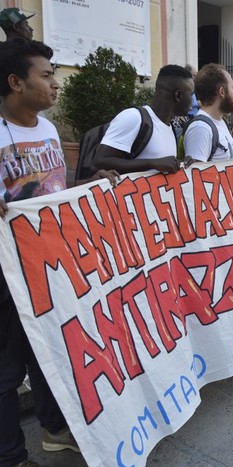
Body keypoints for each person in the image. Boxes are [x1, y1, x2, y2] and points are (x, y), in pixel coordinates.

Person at [0, 38, 120, 467]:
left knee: (48, 350)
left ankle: (53, 432)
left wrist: (89, 186)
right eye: (46, 76)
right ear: (16, 82)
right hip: (7, 273)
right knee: (8, 369)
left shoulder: (49, 130)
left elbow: (55, 194)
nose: (56, 85)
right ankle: (11, 455)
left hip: (48, 262)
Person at [94, 64, 194, 174]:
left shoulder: (170, 127)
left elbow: (162, 166)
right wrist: (152, 163)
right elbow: (98, 162)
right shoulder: (134, 118)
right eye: (191, 94)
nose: (193, 101)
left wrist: (181, 163)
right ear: (178, 95)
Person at [182, 63, 233, 162]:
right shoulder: (201, 128)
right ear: (222, 92)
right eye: (232, 87)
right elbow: (196, 175)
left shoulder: (221, 122)